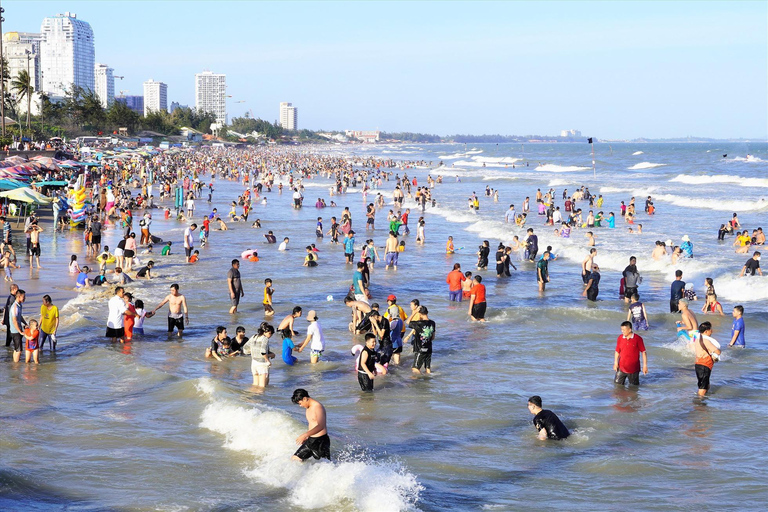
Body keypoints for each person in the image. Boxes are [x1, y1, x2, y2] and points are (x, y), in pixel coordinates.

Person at [291, 389, 330, 462]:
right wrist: (308, 436)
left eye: (300, 403)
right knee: (295, 459)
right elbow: (312, 424)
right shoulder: (308, 407)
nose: (300, 406)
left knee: (324, 465)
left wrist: (304, 435)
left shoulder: (318, 407)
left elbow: (321, 426)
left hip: (320, 441)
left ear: (305, 398)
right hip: (311, 440)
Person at [690, 322, 721, 396]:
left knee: (706, 385)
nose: (712, 331)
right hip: (705, 365)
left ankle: (704, 401)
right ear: (706, 331)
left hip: (698, 364)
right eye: (710, 329)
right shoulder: (706, 341)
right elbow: (718, 352)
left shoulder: (697, 339)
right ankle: (699, 404)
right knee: (703, 388)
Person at [614, 321, 648, 386]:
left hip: (633, 369)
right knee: (617, 387)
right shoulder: (620, 338)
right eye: (621, 329)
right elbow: (617, 351)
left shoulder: (638, 339)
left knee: (633, 389)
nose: (622, 331)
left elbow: (643, 352)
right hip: (621, 368)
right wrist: (615, 363)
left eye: (624, 330)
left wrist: (645, 366)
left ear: (629, 330)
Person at [408, 306, 436, 374]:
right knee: (427, 368)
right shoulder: (432, 323)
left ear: (420, 314)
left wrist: (414, 312)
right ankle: (428, 381)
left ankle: (418, 383)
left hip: (420, 349)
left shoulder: (419, 323)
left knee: (415, 368)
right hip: (429, 348)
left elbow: (408, 322)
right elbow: (433, 337)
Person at [247, 322, 275, 387]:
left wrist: (254, 353)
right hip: (262, 364)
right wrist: (269, 359)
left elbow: (245, 348)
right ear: (264, 332)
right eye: (269, 333)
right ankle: (254, 397)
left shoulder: (254, 336)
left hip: (254, 363)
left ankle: (247, 396)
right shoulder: (265, 339)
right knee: (262, 387)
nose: (270, 336)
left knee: (255, 385)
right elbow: (263, 352)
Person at [8, 288, 27, 362]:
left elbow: (20, 316)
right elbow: (14, 320)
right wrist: (20, 331)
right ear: (19, 297)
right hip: (15, 331)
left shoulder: (19, 305)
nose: (25, 298)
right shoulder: (15, 307)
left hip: (17, 329)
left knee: (16, 349)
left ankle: (14, 364)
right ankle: (16, 367)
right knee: (19, 350)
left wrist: (25, 323)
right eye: (23, 297)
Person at [3, 283, 18, 347]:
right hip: (10, 320)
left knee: (9, 335)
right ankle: (9, 346)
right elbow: (9, 310)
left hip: (8, 319)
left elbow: (5, 308)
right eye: (17, 289)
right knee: (10, 335)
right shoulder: (12, 298)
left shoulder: (10, 297)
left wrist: (3, 319)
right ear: (14, 289)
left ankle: (8, 346)